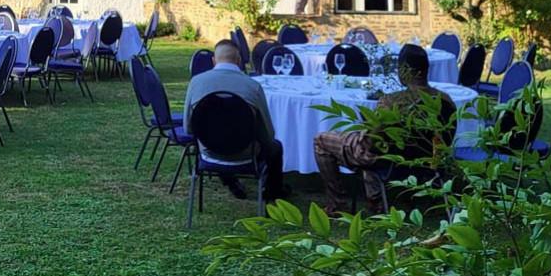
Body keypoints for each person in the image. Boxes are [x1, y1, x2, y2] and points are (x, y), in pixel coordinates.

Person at [313, 44, 452, 215]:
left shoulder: (393, 102)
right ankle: (377, 200)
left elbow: (372, 144)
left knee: (321, 140)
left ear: (403, 70)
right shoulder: (445, 100)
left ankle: (338, 204)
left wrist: (363, 131)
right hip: (428, 162)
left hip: (388, 161)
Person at [183, 39, 288, 201]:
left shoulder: (196, 83)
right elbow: (268, 133)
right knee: (275, 147)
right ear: (239, 61)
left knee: (218, 134)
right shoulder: (252, 86)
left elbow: (188, 128)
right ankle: (273, 195)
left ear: (213, 60)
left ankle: (230, 181)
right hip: (245, 153)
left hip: (208, 151)